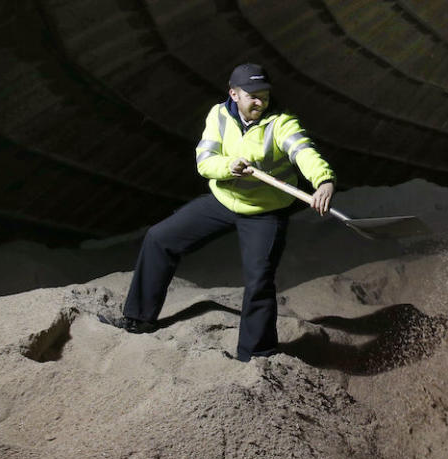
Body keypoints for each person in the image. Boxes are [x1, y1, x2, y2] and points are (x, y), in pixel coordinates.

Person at [114, 63, 335, 361]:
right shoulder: (218, 115)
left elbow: (304, 151)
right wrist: (228, 167)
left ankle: (257, 355)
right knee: (159, 238)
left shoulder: (282, 122)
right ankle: (139, 318)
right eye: (252, 95)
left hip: (264, 211)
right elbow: (204, 161)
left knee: (259, 279)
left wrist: (323, 181)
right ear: (234, 94)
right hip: (223, 199)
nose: (260, 101)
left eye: (264, 95)